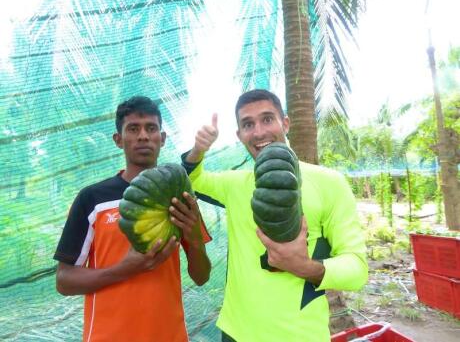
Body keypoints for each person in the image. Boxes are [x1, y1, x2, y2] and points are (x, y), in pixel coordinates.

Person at [182, 89, 368, 342]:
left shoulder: (329, 183)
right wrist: (198, 150)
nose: (259, 132)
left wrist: (304, 267)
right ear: (239, 135)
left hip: (298, 336)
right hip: (235, 331)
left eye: (267, 119)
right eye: (248, 124)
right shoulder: (234, 185)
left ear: (286, 123)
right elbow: (191, 179)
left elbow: (357, 269)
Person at [53, 96, 211, 342]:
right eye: (133, 129)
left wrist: (194, 238)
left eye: (151, 128)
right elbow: (64, 281)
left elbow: (201, 277)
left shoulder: (181, 198)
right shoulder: (92, 198)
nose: (143, 136)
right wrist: (125, 269)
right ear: (118, 140)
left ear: (163, 138)